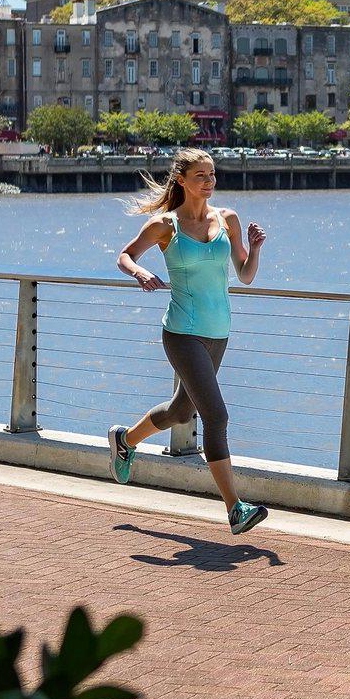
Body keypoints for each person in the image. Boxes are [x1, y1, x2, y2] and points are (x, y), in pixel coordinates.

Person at [105, 148, 271, 535]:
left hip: (219, 332)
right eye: (201, 176)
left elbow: (245, 275)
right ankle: (235, 509)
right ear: (181, 179)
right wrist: (140, 273)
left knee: (182, 412)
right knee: (217, 416)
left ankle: (125, 439)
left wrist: (256, 249)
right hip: (182, 333)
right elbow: (125, 255)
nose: (209, 182)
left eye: (212, 175)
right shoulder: (166, 226)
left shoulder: (227, 219)